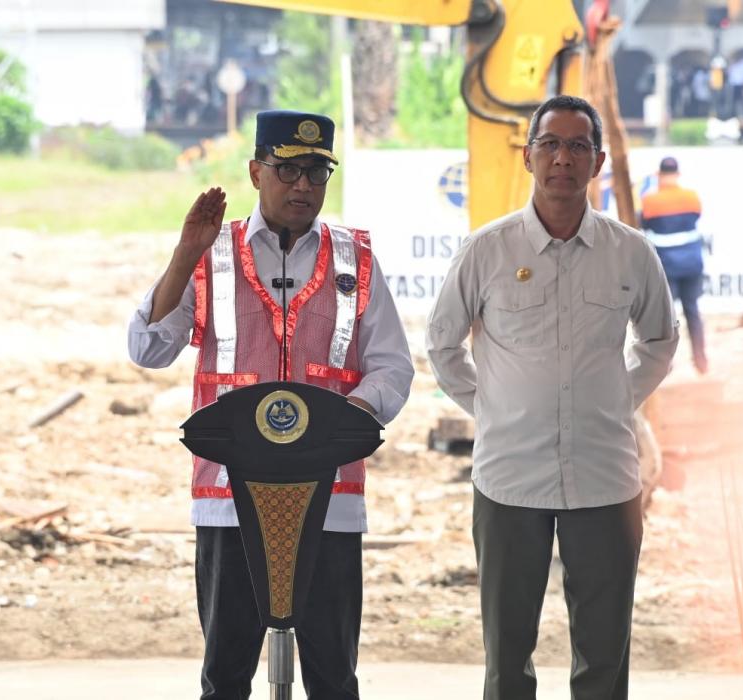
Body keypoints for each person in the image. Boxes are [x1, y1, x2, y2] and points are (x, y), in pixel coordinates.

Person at [128, 109, 413, 699]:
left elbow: (393, 366)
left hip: (329, 497)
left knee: (333, 677)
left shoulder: (354, 259)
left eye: (316, 172)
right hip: (229, 497)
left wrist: (348, 417)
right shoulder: (212, 254)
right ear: (257, 172)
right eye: (288, 170)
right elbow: (148, 348)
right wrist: (185, 253)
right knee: (226, 675)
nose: (303, 186)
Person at [425, 95, 678, 700]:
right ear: (529, 157)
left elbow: (660, 343)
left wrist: (619, 402)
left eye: (578, 146)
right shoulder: (487, 250)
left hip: (605, 479)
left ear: (596, 164)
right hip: (510, 478)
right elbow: (441, 346)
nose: (564, 157)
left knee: (604, 657)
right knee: (507, 656)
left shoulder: (630, 252)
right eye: (551, 145)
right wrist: (491, 409)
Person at [640, 156, 708, 373]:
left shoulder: (650, 200)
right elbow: (696, 217)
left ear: (659, 175)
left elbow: (644, 223)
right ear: (678, 174)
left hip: (667, 265)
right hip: (692, 263)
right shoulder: (691, 197)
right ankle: (701, 360)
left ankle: (665, 364)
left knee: (666, 317)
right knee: (693, 311)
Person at [726, 53, 743, 120]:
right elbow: (728, 73)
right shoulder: (733, 64)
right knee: (733, 101)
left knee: (742, 101)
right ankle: (732, 116)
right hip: (733, 85)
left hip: (741, 85)